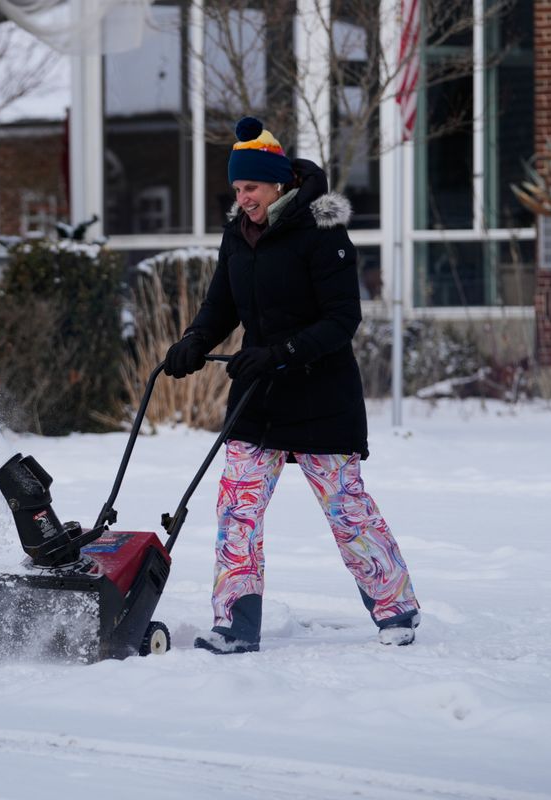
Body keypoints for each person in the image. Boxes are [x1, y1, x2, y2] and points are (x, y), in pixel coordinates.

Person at [163, 116, 420, 653]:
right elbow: (220, 305)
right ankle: (235, 624)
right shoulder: (238, 234)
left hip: (321, 394)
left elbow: (342, 319)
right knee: (237, 508)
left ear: (278, 183)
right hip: (259, 398)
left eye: (251, 187)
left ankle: (396, 607)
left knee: (346, 508)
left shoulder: (322, 232)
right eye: (237, 189)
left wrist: (281, 354)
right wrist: (194, 340)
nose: (243, 198)